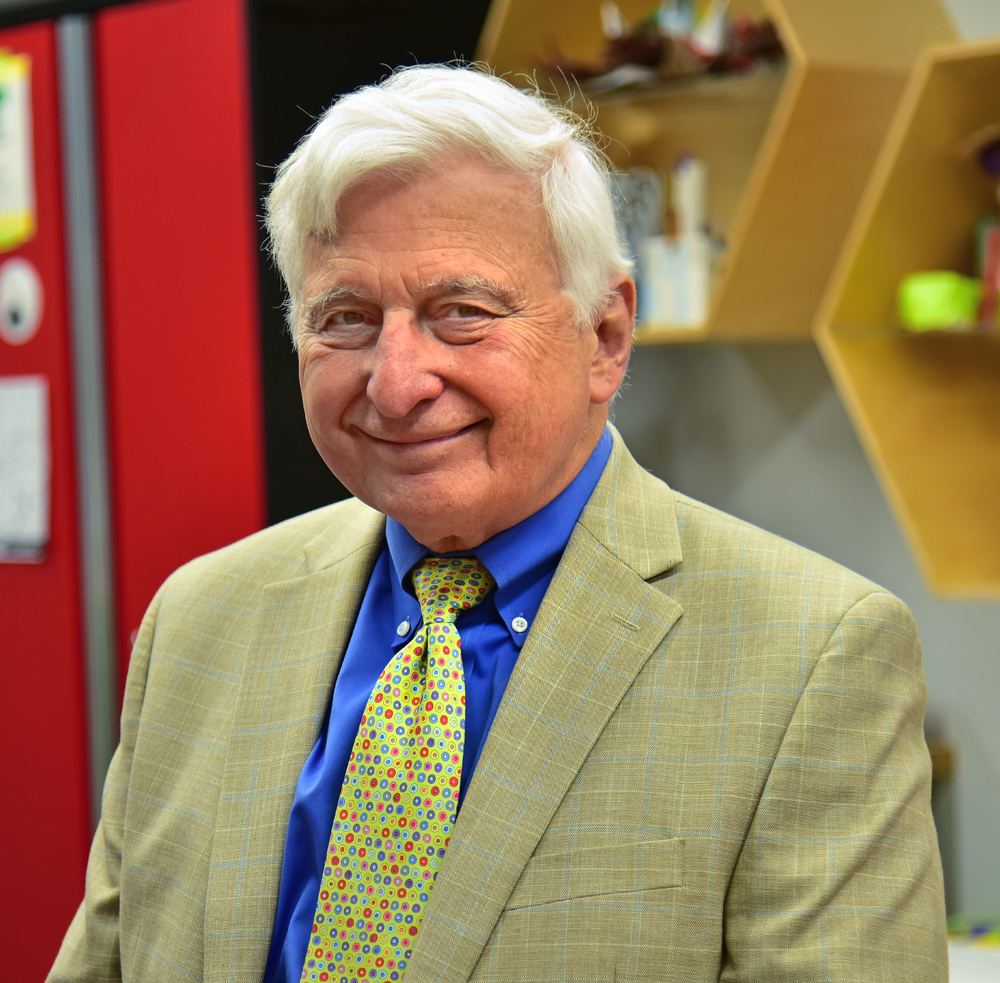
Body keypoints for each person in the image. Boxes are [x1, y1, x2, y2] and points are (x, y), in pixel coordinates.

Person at [49, 65, 946, 983]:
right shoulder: (200, 622)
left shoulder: (813, 658)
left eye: (462, 314)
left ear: (605, 337)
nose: (396, 385)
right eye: (347, 319)